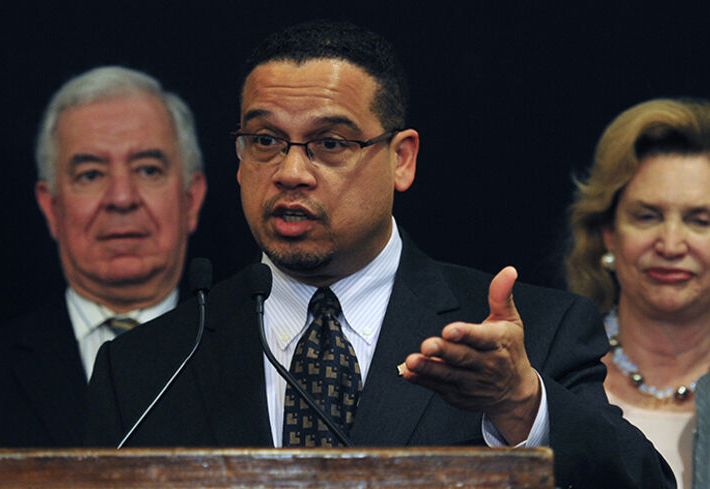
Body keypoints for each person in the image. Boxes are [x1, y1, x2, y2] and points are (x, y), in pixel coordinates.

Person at [85, 21, 673, 489]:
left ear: (402, 159)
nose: (291, 172)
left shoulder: (529, 338)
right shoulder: (146, 369)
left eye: (330, 144)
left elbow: (645, 483)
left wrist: (522, 406)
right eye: (264, 141)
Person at [0, 66, 207, 488]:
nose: (122, 198)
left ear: (190, 199)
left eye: (148, 169)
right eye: (90, 174)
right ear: (50, 206)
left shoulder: (260, 364)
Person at [565, 98, 710, 489]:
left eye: (700, 220)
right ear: (608, 231)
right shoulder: (554, 377)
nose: (671, 244)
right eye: (647, 216)